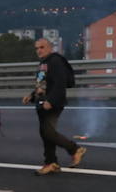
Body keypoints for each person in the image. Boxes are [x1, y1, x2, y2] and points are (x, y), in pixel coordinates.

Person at [24, 37, 84, 175]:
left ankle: (74, 149)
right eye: (37, 48)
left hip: (52, 103)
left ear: (50, 48)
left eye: (42, 47)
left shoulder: (55, 61)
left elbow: (60, 83)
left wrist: (51, 101)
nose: (39, 50)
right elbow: (43, 84)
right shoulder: (43, 63)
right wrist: (32, 96)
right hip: (42, 102)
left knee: (48, 132)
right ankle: (51, 163)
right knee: (46, 133)